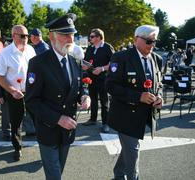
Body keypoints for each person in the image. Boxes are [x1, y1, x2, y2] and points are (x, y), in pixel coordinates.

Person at [25, 13, 91, 180]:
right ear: (52, 36)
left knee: (58, 170)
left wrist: (84, 96)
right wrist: (58, 118)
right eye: (65, 34)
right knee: (55, 175)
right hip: (48, 128)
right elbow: (31, 101)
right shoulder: (38, 63)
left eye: (72, 34)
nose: (70, 38)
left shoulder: (75, 61)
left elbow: (79, 87)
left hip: (68, 130)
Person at [105, 25, 163, 180]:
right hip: (125, 115)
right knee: (133, 150)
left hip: (145, 115)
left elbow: (159, 84)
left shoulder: (157, 59)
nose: (152, 45)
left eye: (155, 41)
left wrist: (159, 97)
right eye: (149, 41)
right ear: (136, 39)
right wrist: (138, 96)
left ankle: (118, 173)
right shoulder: (121, 57)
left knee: (129, 149)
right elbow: (111, 86)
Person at [0, 25, 36, 161]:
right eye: (22, 36)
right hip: (14, 94)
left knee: (39, 118)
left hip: (31, 92)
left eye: (27, 36)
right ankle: (17, 148)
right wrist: (12, 91)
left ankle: (45, 145)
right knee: (16, 122)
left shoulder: (30, 50)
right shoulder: (5, 53)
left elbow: (36, 70)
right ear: (13, 36)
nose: (26, 39)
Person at [82, 28, 114, 133]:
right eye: (90, 36)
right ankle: (93, 119)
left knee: (104, 101)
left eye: (92, 36)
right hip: (92, 78)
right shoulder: (90, 48)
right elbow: (86, 61)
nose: (90, 38)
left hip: (104, 78)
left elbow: (114, 64)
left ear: (99, 37)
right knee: (93, 99)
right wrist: (85, 66)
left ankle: (106, 123)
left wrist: (102, 69)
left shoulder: (107, 47)